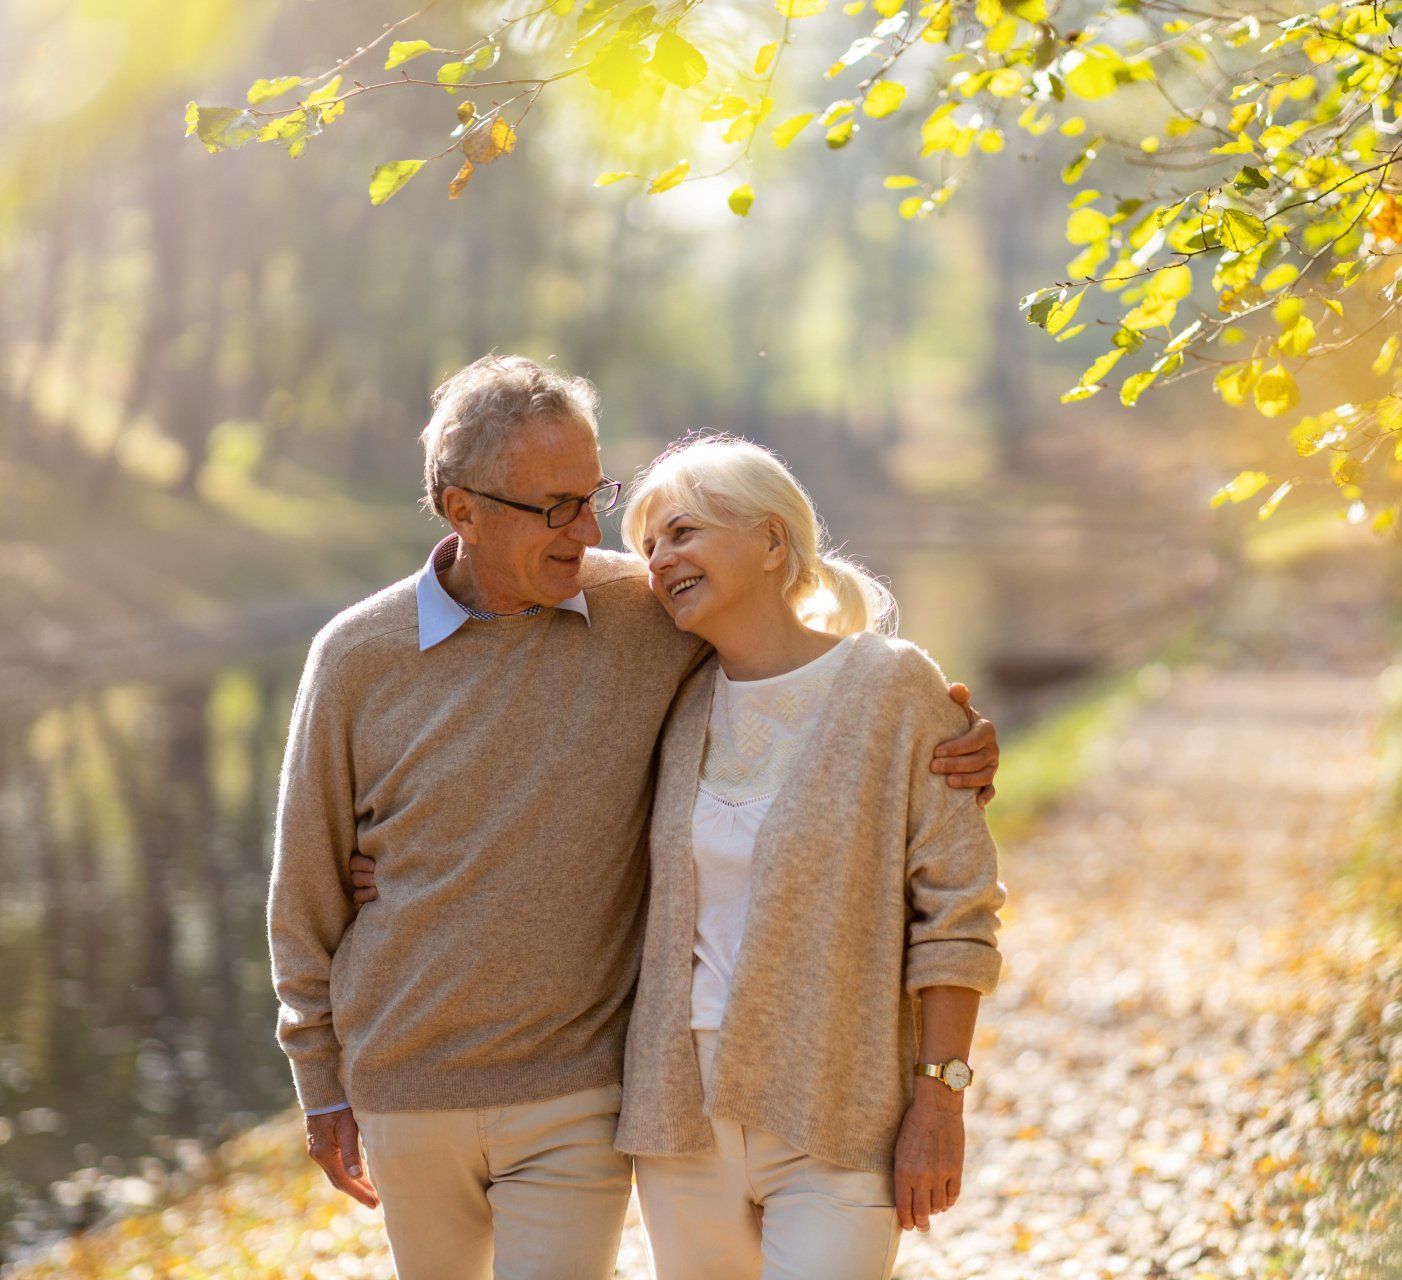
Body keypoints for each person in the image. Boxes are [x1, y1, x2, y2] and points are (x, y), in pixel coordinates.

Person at [268, 354, 1000, 1280]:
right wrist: (320, 1080)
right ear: (463, 511)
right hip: (413, 1086)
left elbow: (812, 678)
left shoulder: (642, 612)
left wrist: (958, 740)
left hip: (582, 1088)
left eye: (594, 496)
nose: (594, 535)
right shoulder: (358, 656)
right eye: (555, 507)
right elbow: (305, 886)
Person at [613, 436, 1005, 1280]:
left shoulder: (893, 687)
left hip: (839, 1104)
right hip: (679, 1117)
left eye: (681, 532)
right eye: (648, 547)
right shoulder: (670, 703)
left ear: (770, 541)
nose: (659, 560)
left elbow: (958, 909)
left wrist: (940, 1097)